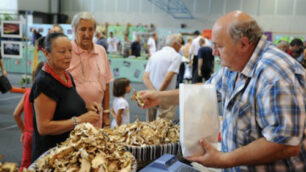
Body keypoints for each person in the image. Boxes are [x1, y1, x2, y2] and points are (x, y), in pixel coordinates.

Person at [140, 11, 305, 171]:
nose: (214, 52)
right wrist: (159, 97)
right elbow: (205, 91)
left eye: (219, 46)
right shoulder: (235, 65)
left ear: (243, 44)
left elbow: (285, 144)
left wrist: (225, 159)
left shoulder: (274, 75)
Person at [29, 32, 101, 162]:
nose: (68, 56)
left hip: (68, 151)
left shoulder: (66, 75)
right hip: (51, 156)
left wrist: (86, 108)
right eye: (62, 52)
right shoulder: (44, 83)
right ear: (47, 54)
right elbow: (44, 127)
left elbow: (65, 107)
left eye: (70, 51)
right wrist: (80, 119)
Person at [69, 12, 113, 128]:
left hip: (96, 117)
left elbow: (107, 84)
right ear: (74, 30)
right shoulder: (67, 51)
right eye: (82, 29)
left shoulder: (101, 51)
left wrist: (107, 113)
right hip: (72, 118)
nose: (87, 34)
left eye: (91, 29)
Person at [142, 34, 182, 121]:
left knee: (149, 126)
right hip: (166, 96)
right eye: (180, 43)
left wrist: (153, 92)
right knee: (163, 127)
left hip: (151, 95)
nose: (181, 46)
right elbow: (168, 78)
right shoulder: (176, 56)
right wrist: (159, 94)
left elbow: (145, 77)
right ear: (175, 44)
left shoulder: (154, 55)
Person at [13, 62, 44, 171]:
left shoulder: (28, 93)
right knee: (41, 164)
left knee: (25, 165)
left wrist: (24, 131)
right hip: (40, 137)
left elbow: (16, 114)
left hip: (28, 135)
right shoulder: (45, 96)